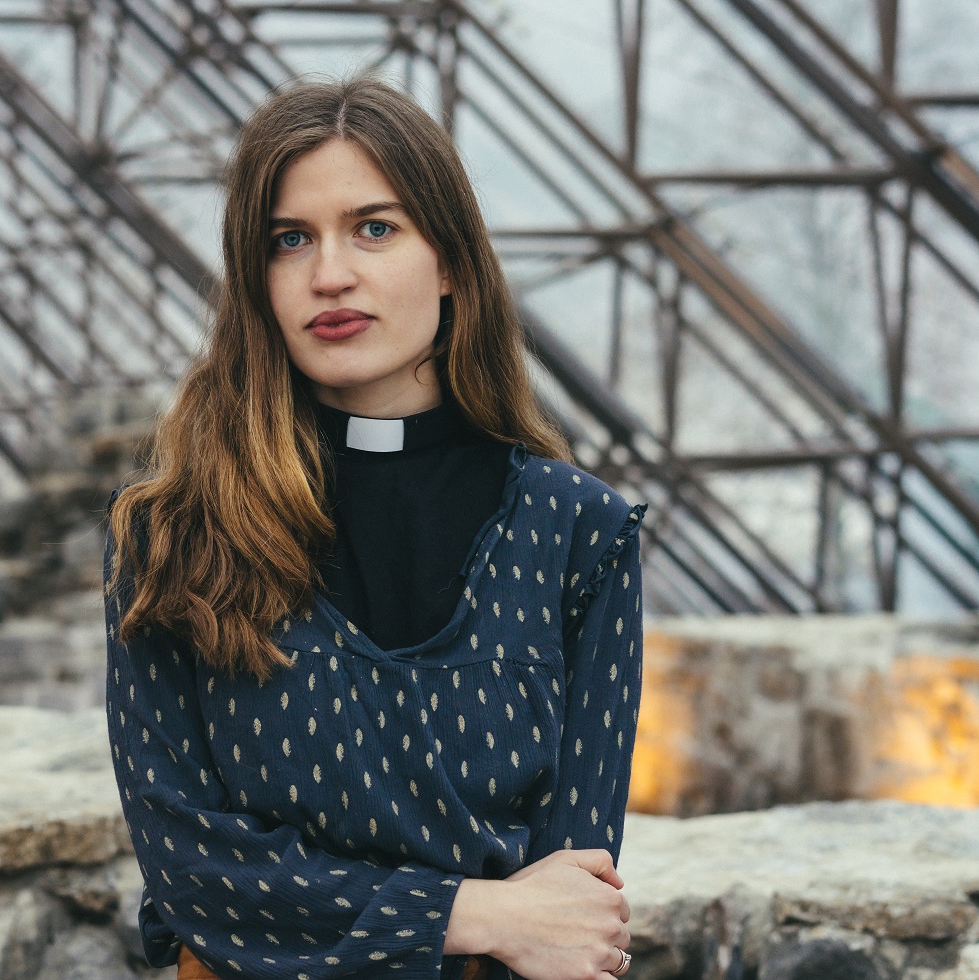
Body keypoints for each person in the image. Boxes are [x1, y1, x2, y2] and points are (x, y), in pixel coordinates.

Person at [104, 75, 648, 980]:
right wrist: (470, 912)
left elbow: (570, 901)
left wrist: (510, 923)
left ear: (451, 262)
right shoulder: (172, 535)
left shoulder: (579, 533)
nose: (330, 274)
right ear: (256, 280)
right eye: (290, 240)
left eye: (374, 228)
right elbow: (191, 871)